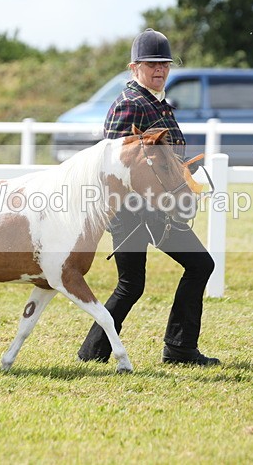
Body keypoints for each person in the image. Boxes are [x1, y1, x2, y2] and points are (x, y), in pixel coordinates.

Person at [77, 28, 219, 366]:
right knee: (143, 281)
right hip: (135, 212)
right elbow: (115, 164)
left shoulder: (158, 103)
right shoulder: (129, 105)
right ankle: (177, 349)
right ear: (134, 67)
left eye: (164, 64)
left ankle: (96, 352)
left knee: (140, 282)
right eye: (152, 64)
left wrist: (185, 179)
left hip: (159, 209)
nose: (160, 70)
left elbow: (162, 158)